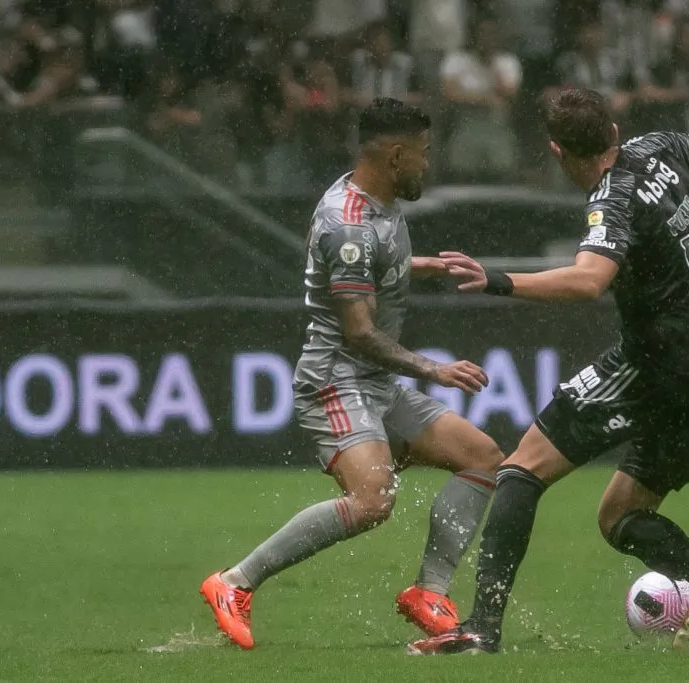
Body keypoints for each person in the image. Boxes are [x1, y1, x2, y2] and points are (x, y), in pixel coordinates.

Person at [408, 86, 689, 656]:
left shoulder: (611, 197)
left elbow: (589, 279)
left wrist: (497, 280)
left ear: (557, 151)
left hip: (661, 364)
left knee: (521, 469)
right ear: (614, 131)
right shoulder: (656, 148)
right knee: (620, 514)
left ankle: (481, 629)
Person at [200, 98, 504, 650]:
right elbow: (359, 332)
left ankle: (429, 593)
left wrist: (422, 266)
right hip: (335, 381)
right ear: (395, 155)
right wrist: (433, 369)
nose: (427, 164)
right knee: (372, 502)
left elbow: (365, 264)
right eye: (423, 153)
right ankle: (234, 582)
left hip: (374, 385)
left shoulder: (372, 206)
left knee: (481, 458)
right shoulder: (349, 224)